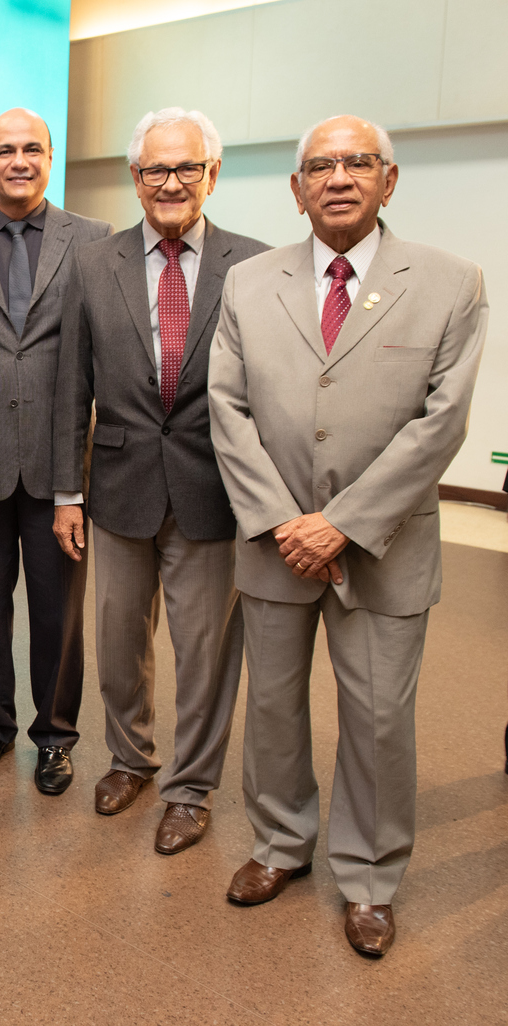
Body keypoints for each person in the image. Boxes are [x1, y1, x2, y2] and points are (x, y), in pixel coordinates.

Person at [208, 115, 487, 956]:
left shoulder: (450, 282)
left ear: (388, 180)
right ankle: (279, 843)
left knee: (377, 718)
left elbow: (441, 424)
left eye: (358, 162)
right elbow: (227, 409)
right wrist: (281, 519)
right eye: (320, 166)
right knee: (272, 707)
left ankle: (369, 878)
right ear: (297, 189)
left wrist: (343, 524)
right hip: (274, 541)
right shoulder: (249, 283)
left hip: (385, 546)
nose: (338, 177)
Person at [53, 108, 269, 853]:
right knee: (118, 645)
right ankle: (130, 759)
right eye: (155, 169)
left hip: (214, 490)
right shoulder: (93, 264)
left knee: (205, 654)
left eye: (186, 168)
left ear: (212, 173)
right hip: (117, 487)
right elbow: (70, 386)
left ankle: (190, 789)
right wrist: (67, 493)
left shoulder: (254, 265)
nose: (170, 183)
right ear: (135, 177)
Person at [0, 108, 112, 794]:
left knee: (58, 614)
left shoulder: (92, 240)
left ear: (50, 157)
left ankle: (56, 737)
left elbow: (93, 351)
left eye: (33, 148)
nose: (19, 160)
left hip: (59, 461)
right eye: (5, 150)